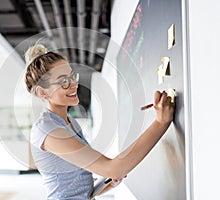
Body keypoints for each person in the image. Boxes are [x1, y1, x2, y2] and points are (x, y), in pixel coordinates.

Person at [24, 44, 175, 199]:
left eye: (72, 76)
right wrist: (161, 122)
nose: (74, 84)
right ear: (42, 92)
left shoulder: (70, 123)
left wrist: (108, 184)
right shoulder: (48, 130)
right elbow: (114, 168)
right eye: (64, 82)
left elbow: (77, 191)